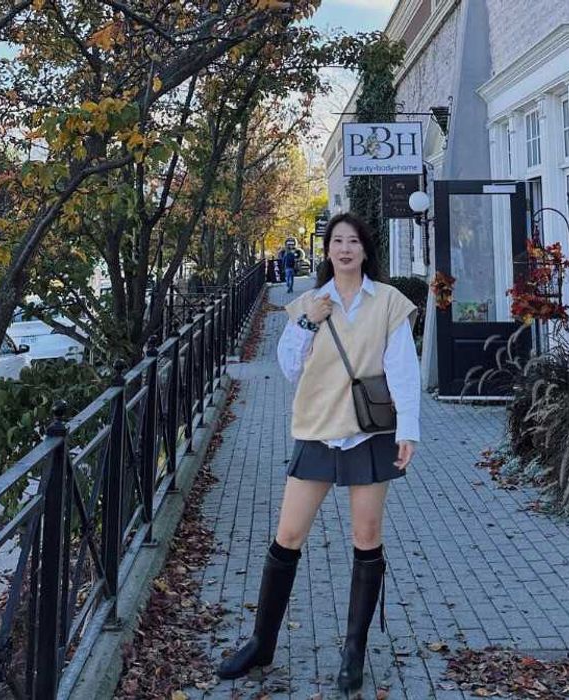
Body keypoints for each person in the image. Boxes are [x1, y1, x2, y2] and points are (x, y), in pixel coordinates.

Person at [217, 213, 421, 692]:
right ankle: (261, 643)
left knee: (366, 537)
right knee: (288, 535)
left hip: (368, 433)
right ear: (327, 251)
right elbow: (289, 368)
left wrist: (408, 429)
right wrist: (308, 323)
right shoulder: (310, 302)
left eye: (353, 241)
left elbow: (403, 370)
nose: (345, 249)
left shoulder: (388, 302)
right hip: (315, 430)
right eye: (337, 242)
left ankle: (354, 651)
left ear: (366, 250)